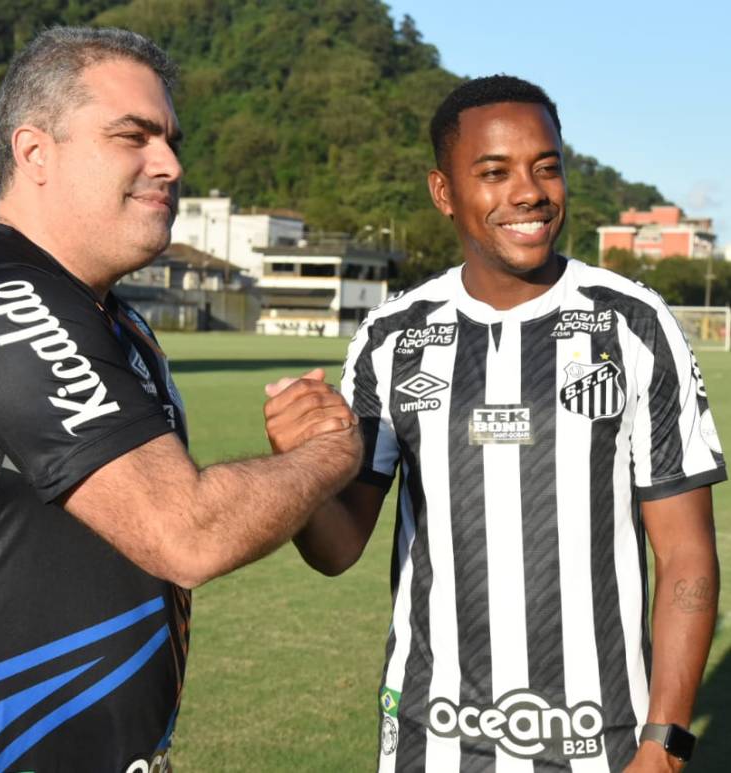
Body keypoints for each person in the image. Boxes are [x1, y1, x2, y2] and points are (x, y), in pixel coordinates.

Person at [0, 27, 360, 773]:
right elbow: (186, 533)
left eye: (172, 141)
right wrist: (329, 451)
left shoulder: (117, 322)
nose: (171, 164)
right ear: (35, 152)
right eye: (134, 136)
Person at [264, 75, 725, 773]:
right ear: (443, 192)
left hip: (602, 741)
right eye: (494, 172)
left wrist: (664, 745)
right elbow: (337, 548)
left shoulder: (633, 323)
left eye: (546, 167)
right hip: (431, 737)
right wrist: (295, 467)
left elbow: (686, 555)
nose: (529, 192)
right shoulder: (393, 338)